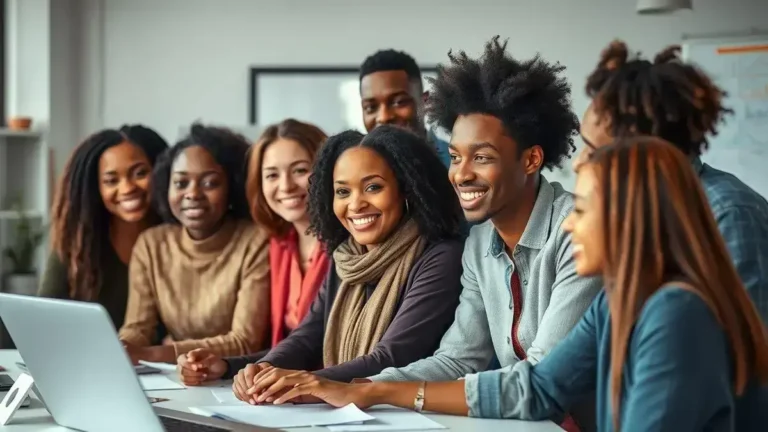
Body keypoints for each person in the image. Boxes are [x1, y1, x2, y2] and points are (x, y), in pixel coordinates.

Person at [253, 137, 768, 431]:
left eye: (584, 208)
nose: (569, 221)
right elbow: (540, 386)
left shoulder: (675, 314)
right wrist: (377, 390)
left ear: (632, 217)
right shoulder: (619, 301)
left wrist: (372, 388)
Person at [253, 37, 602, 430]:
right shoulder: (479, 244)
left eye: (482, 157)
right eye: (455, 157)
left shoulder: (580, 230)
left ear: (531, 159)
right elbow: (456, 359)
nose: (461, 173)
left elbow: (538, 385)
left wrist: (376, 391)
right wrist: (356, 386)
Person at [227, 125, 465, 403]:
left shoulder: (441, 257)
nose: (355, 205)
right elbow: (307, 337)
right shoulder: (345, 257)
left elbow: (393, 357)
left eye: (373, 187)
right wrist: (264, 369)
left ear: (407, 190)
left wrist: (311, 384)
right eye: (342, 191)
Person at [574, 40, 768, 323]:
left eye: (593, 149)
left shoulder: (731, 215)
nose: (578, 162)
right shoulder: (640, 218)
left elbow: (747, 355)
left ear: (641, 151)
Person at [176, 119, 330, 385]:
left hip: (329, 390)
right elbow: (289, 346)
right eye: (272, 175)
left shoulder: (346, 246)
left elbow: (315, 347)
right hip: (282, 388)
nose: (285, 186)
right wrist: (223, 366)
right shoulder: (280, 245)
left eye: (300, 170)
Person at [118, 124, 270, 364]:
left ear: (232, 187)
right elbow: (138, 328)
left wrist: (152, 354)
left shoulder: (255, 241)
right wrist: (121, 347)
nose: (193, 194)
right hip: (176, 377)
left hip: (236, 378)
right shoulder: (152, 244)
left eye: (209, 183)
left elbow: (244, 341)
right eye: (181, 183)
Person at [39, 125, 168, 329]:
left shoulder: (180, 241)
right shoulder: (77, 246)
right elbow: (42, 318)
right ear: (95, 189)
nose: (127, 188)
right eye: (111, 181)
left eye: (140, 173)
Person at [359, 49, 450, 166]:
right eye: (371, 107)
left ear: (425, 102)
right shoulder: (357, 170)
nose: (383, 117)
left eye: (399, 102)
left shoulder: (456, 165)